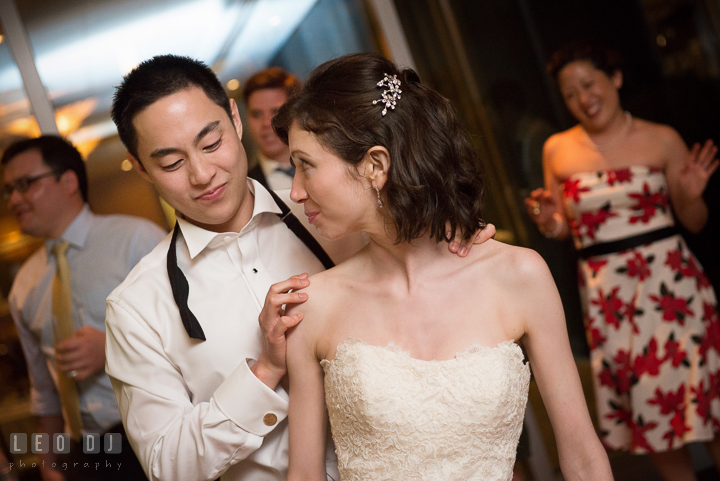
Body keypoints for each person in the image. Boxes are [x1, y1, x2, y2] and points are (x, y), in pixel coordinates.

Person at [104, 54, 493, 481]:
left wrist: (450, 246)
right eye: (172, 163)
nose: (202, 174)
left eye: (211, 143)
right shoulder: (136, 307)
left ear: (234, 119)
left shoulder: (341, 214)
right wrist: (264, 372)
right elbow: (166, 465)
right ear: (140, 166)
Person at [271, 52, 612, 481]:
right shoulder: (314, 305)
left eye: (305, 166)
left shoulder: (519, 276)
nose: (296, 192)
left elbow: (582, 457)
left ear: (375, 165)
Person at [525, 41, 720, 480]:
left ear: (614, 79)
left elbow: (695, 221)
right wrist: (547, 219)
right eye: (570, 93)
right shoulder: (557, 149)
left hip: (675, 293)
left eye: (588, 84)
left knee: (707, 402)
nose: (582, 99)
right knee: (651, 415)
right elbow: (560, 226)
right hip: (611, 302)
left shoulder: (660, 138)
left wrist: (689, 196)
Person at [2, 136, 165, 481]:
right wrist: (50, 464)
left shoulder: (137, 240)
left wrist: (112, 346)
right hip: (89, 454)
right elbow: (43, 388)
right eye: (9, 190)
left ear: (69, 181)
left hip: (159, 431)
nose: (14, 199)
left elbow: (189, 334)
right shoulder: (23, 287)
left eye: (25, 185)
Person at [243, 67, 301, 190]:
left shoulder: (329, 166)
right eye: (256, 114)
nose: (266, 123)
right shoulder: (246, 189)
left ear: (296, 112)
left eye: (276, 112)